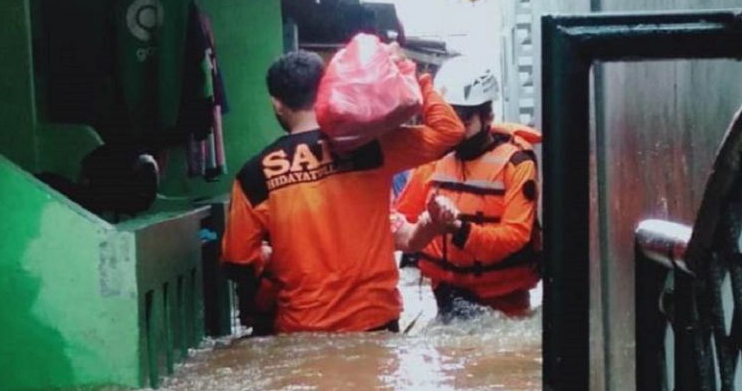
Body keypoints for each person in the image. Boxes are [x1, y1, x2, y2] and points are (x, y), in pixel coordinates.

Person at [222, 49, 464, 333]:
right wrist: (413, 77)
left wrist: (271, 255)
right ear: (325, 90)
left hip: (302, 331)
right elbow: (449, 131)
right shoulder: (371, 147)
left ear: (277, 104)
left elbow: (237, 262)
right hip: (376, 323)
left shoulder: (255, 175)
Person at [394, 59, 541, 320]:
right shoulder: (433, 161)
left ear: (488, 118)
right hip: (446, 298)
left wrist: (459, 229)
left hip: (504, 305)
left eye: (462, 120)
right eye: (447, 119)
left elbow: (516, 236)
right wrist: (429, 224)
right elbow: (401, 221)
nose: (454, 131)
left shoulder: (516, 164)